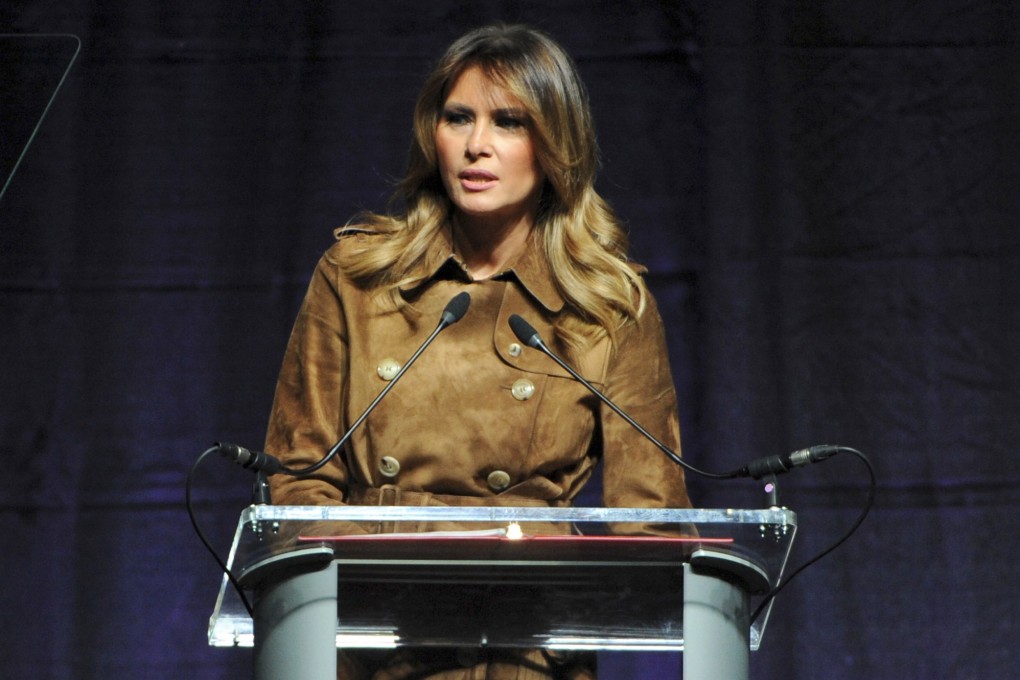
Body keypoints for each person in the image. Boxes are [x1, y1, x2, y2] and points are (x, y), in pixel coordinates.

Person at [264, 23, 692, 680]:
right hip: (377, 639)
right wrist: (365, 584)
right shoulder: (357, 279)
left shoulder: (608, 305)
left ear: (555, 144)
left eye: (508, 122)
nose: (476, 145)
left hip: (526, 644)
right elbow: (298, 483)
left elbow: (652, 524)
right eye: (458, 117)